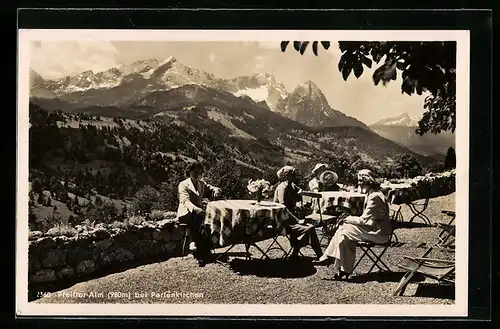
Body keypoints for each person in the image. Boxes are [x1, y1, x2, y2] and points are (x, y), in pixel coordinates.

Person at [312, 169, 392, 280]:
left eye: (361, 181)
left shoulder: (375, 196)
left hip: (380, 233)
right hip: (373, 228)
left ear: (368, 181)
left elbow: (363, 220)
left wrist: (348, 218)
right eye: (358, 181)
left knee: (344, 230)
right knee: (344, 233)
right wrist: (347, 220)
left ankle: (332, 260)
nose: (359, 184)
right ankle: (340, 267)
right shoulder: (371, 193)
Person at [176, 162, 222, 267]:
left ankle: (203, 249)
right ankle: (201, 253)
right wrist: (196, 209)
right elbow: (185, 201)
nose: (197, 174)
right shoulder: (183, 184)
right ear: (189, 171)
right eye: (194, 171)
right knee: (199, 220)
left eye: (199, 172)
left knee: (210, 219)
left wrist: (216, 189)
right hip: (186, 212)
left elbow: (210, 188)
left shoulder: (201, 183)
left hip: (198, 213)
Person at [273, 165, 323, 259]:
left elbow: (299, 190)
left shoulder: (291, 185)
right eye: (293, 174)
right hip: (281, 220)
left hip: (290, 218)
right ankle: (301, 253)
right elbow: (283, 208)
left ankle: (301, 253)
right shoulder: (282, 188)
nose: (295, 176)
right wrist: (297, 220)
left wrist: (304, 193)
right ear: (287, 176)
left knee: (310, 227)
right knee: (308, 229)